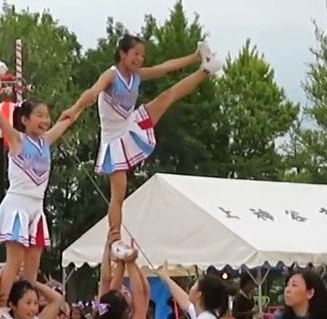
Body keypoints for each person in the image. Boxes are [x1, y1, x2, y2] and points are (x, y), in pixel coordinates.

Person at [67, 34, 224, 239]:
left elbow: (166, 68)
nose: (139, 59)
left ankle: (206, 69)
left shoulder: (137, 75)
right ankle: (115, 238)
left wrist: (193, 57)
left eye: (142, 55)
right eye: (135, 54)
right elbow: (93, 91)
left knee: (168, 96)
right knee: (118, 195)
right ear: (122, 54)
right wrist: (74, 109)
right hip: (114, 140)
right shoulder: (111, 75)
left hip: (131, 125)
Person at [0, 92, 89, 305]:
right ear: (25, 119)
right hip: (17, 205)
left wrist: (80, 104)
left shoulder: (46, 142)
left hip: (37, 209)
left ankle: (24, 307)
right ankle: (0, 307)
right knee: (14, 261)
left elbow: (68, 120)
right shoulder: (17, 139)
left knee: (32, 266)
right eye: (39, 115)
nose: (45, 120)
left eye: (47, 116)